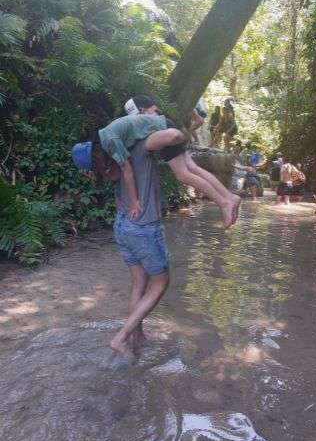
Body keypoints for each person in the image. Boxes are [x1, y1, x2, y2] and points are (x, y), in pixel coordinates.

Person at [75, 95, 241, 228]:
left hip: (164, 130)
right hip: (166, 125)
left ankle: (223, 203)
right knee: (194, 169)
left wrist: (134, 202)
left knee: (183, 175)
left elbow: (127, 171)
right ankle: (229, 196)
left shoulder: (110, 141)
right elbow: (115, 171)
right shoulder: (107, 135)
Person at [105, 134, 172, 356]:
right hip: (144, 228)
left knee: (139, 282)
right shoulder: (143, 147)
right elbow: (171, 135)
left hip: (122, 226)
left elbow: (117, 197)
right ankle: (121, 337)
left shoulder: (115, 158)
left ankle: (137, 336)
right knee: (160, 284)